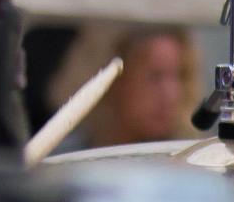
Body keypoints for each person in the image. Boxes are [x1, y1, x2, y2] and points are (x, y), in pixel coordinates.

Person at [44, 22, 203, 150]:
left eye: (180, 76)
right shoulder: (69, 161)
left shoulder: (192, 163)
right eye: (155, 76)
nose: (171, 94)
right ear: (118, 82)